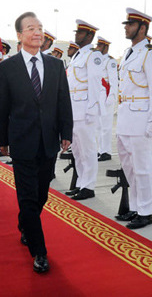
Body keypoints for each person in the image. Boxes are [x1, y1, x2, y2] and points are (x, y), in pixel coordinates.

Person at [0, 11, 72, 273]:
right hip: (22, 141)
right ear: (20, 35)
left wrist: (66, 132)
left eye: (39, 28)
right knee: (27, 197)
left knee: (41, 193)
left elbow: (63, 101)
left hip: (49, 141)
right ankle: (39, 251)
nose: (37, 32)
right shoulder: (6, 68)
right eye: (31, 28)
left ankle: (25, 223)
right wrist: (1, 139)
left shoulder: (55, 65)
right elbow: (1, 106)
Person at [115, 8, 152, 228]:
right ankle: (135, 207)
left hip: (141, 118)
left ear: (142, 28)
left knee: (142, 167)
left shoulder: (150, 53)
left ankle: (146, 211)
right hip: (126, 116)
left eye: (130, 24)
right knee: (129, 166)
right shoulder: (128, 52)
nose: (126, 27)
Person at [66, 19, 103, 200]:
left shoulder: (93, 56)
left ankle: (89, 186)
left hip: (85, 110)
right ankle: (81, 182)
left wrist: (92, 110)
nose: (76, 35)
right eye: (76, 32)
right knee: (77, 150)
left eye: (80, 33)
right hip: (74, 109)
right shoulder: (77, 55)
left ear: (89, 35)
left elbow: (96, 85)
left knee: (88, 150)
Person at [95, 37, 118, 162]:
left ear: (106, 47)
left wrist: (111, 97)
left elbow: (114, 81)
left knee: (106, 126)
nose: (97, 48)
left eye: (100, 45)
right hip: (98, 95)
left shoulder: (110, 62)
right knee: (98, 125)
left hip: (106, 95)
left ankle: (106, 151)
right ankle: (99, 150)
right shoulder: (97, 60)